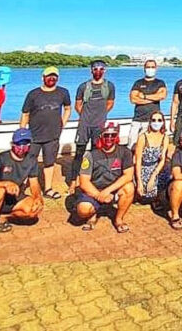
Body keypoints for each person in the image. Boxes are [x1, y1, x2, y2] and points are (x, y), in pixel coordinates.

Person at [0, 128, 44, 249]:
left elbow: (34, 183)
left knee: (33, 210)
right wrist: (5, 184)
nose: (22, 147)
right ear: (12, 144)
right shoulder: (0, 159)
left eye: (25, 143)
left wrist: (38, 197)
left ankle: (2, 217)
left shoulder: (32, 160)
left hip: (13, 198)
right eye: (19, 143)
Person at [71, 121, 135, 233]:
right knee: (83, 210)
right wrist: (99, 195)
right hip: (94, 190)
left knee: (129, 187)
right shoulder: (90, 155)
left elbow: (128, 176)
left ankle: (118, 220)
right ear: (101, 135)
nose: (109, 138)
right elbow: (84, 182)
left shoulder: (125, 152)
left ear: (117, 136)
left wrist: (108, 191)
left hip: (113, 190)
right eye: (106, 135)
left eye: (113, 135)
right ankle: (92, 216)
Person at [19, 66, 72, 199]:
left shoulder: (63, 92)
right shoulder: (33, 94)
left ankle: (48, 188)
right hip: (33, 135)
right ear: (43, 77)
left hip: (53, 135)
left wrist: (62, 123)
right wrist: (22, 133)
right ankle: (21, 187)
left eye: (54, 76)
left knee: (49, 162)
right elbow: (25, 114)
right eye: (49, 76)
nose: (51, 78)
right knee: (28, 161)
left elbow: (67, 108)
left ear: (57, 78)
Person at [69, 60, 116, 189]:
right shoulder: (83, 86)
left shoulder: (109, 86)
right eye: (95, 69)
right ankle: (74, 181)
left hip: (99, 125)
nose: (98, 71)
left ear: (105, 71)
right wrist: (85, 116)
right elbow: (78, 105)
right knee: (79, 153)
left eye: (101, 69)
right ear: (91, 70)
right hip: (84, 125)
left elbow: (110, 103)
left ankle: (93, 179)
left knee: (97, 153)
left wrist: (101, 115)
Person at [127, 59, 167, 149]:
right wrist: (153, 98)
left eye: (152, 67)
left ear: (156, 68)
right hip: (137, 119)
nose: (150, 69)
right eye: (148, 67)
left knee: (148, 146)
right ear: (144, 69)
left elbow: (162, 96)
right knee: (132, 145)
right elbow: (133, 99)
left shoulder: (160, 83)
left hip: (152, 120)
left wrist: (144, 96)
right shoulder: (138, 83)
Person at [134, 112, 170, 209]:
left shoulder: (165, 137)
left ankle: (157, 198)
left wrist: (153, 175)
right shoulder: (143, 137)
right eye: (153, 120)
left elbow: (162, 159)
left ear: (163, 122)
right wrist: (139, 181)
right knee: (143, 193)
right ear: (150, 122)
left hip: (156, 167)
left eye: (159, 120)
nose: (156, 122)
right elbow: (137, 160)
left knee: (168, 171)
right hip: (143, 167)